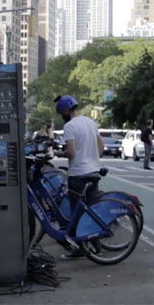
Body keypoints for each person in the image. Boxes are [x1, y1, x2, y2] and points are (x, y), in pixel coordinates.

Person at [56, 95, 103, 259]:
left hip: (78, 174)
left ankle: (80, 249)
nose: (61, 115)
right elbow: (101, 145)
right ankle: (96, 244)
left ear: (66, 110)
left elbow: (71, 152)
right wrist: (93, 159)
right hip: (93, 171)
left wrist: (58, 152)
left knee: (76, 213)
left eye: (61, 112)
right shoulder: (90, 122)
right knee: (91, 210)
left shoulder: (70, 126)